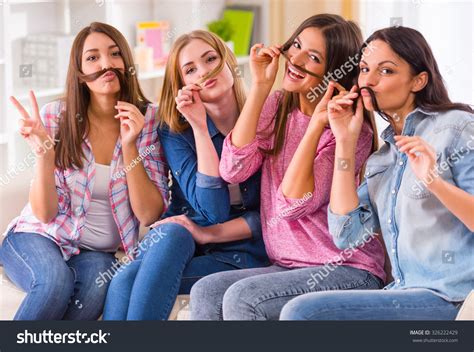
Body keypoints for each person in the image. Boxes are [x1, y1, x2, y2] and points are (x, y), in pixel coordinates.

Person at [190, 14, 385, 321]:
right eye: (296, 45)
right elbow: (232, 169)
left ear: (334, 71)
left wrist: (315, 126)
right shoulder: (278, 105)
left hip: (345, 269)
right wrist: (260, 86)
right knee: (207, 291)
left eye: (314, 57)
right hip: (288, 265)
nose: (296, 58)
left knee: (244, 299)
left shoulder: (349, 131)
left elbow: (294, 204)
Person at [280, 26, 474, 321]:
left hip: (454, 299)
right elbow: (347, 235)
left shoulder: (456, 128)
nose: (368, 80)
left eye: (385, 71)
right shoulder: (382, 160)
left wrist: (434, 181)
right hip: (403, 294)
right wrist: (344, 142)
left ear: (419, 80)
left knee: (303, 312)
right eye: (364, 69)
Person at [0, 22, 168, 320]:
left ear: (126, 63)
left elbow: (149, 215)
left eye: (114, 54)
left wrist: (130, 146)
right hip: (39, 236)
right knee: (55, 282)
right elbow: (44, 214)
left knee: (94, 291)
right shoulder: (57, 117)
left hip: (97, 255)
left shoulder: (149, 118)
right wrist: (44, 154)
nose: (106, 64)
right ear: (80, 74)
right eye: (92, 57)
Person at [103, 30, 268, 321]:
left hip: (237, 253)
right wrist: (200, 128)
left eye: (210, 59)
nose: (204, 72)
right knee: (165, 238)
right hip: (179, 243)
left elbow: (246, 215)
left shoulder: (265, 120)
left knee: (131, 278)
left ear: (229, 62)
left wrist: (205, 233)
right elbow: (210, 208)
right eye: (190, 70)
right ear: (182, 86)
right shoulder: (176, 131)